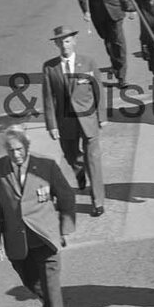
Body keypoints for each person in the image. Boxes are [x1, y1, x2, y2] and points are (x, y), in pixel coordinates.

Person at [0, 125, 76, 307]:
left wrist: (65, 229)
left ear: (27, 147)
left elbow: (66, 195)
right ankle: (44, 299)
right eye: (11, 150)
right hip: (18, 244)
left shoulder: (46, 167)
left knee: (52, 289)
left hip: (45, 239)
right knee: (30, 281)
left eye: (19, 149)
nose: (16, 154)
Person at [42, 24, 107, 217]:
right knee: (71, 155)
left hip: (88, 121)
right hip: (65, 122)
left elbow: (99, 91)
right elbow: (48, 98)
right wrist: (52, 125)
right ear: (56, 44)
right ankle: (79, 170)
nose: (65, 45)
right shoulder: (50, 68)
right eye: (61, 42)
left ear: (74, 41)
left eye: (68, 41)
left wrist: (102, 117)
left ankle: (98, 202)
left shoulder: (88, 63)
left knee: (93, 161)